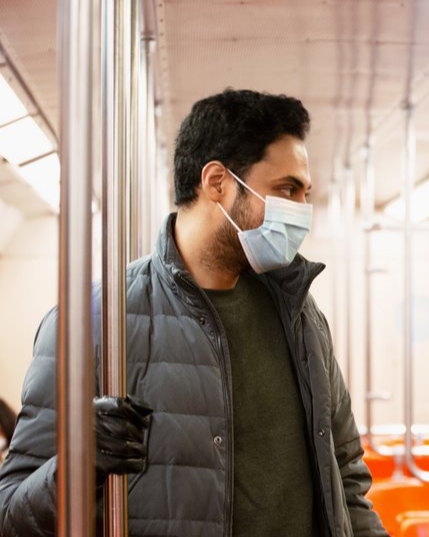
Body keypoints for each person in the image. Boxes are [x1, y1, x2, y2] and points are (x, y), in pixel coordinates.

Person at [0, 89, 388, 537]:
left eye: (305, 193)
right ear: (217, 182)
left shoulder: (300, 314)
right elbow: (11, 513)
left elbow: (346, 477)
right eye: (287, 189)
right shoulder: (94, 322)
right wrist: (78, 464)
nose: (301, 210)